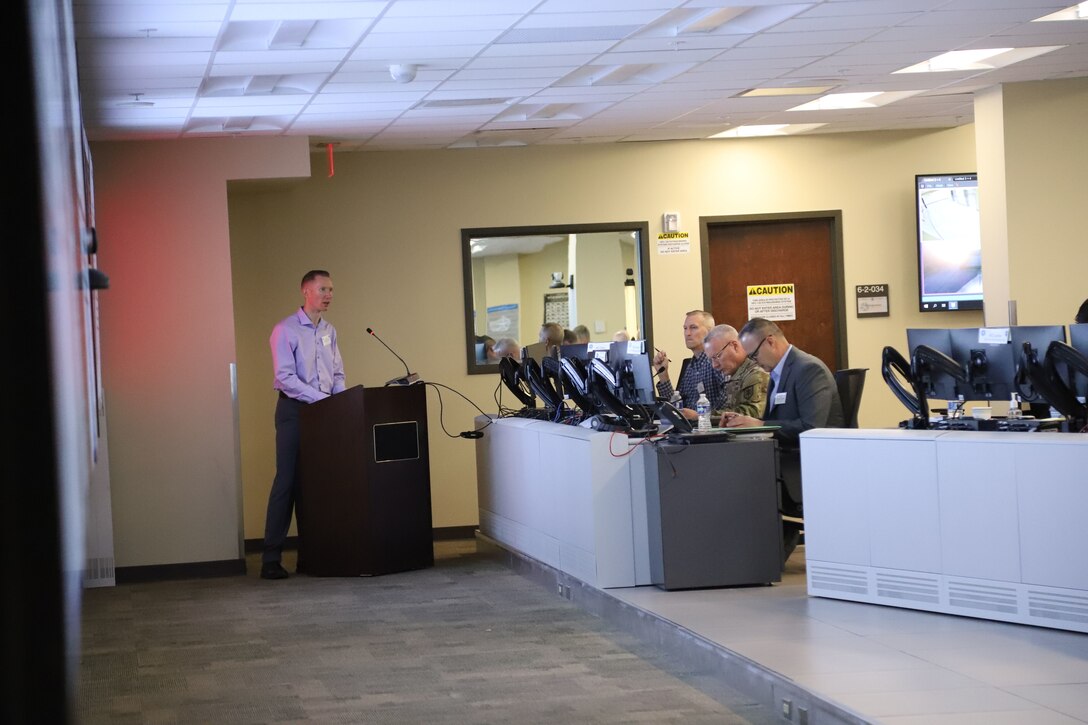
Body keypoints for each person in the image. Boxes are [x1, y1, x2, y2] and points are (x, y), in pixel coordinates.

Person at [722, 318, 843, 559]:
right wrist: (745, 422)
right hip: (786, 453)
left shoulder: (808, 369)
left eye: (754, 355)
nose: (753, 362)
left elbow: (811, 427)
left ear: (770, 342)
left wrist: (760, 425)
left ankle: (762, 557)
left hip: (809, 460)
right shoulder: (779, 373)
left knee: (748, 477)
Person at [261, 270, 347, 580]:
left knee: (318, 483)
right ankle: (270, 558)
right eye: (323, 289)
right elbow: (284, 378)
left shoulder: (329, 331)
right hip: (294, 412)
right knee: (286, 483)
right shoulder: (285, 330)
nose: (329, 295)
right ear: (305, 291)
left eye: (331, 290)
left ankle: (314, 556)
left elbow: (337, 373)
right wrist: (320, 400)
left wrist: (337, 403)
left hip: (324, 413)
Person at [652, 310, 725, 420]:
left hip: (710, 430)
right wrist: (663, 374)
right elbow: (676, 406)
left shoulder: (717, 362)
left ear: (710, 332)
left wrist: (699, 416)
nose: (687, 333)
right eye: (685, 328)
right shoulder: (690, 366)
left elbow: (728, 410)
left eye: (693, 327)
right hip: (689, 430)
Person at [702, 324, 769, 421]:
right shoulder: (733, 374)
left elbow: (753, 413)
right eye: (711, 360)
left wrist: (703, 416)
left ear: (734, 346)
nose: (714, 365)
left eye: (717, 357)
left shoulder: (756, 373)